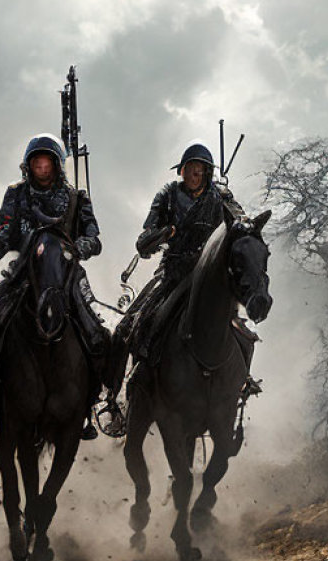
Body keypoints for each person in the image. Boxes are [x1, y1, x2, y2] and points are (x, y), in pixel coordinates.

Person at [0, 133, 107, 450]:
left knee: (99, 333)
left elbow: (93, 236)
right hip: (22, 276)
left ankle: (90, 404)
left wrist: (81, 245)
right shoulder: (15, 194)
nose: (42, 168)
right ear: (28, 166)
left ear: (57, 166)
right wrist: (2, 240)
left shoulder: (76, 198)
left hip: (66, 276)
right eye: (36, 163)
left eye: (47, 163)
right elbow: (4, 228)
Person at [103, 141, 247, 420]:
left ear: (207, 172)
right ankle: (115, 399)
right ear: (181, 170)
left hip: (211, 278)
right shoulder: (167, 195)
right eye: (189, 169)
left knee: (243, 331)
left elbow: (242, 226)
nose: (193, 174)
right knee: (125, 329)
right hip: (173, 273)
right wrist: (164, 233)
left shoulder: (221, 197)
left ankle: (241, 381)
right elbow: (143, 242)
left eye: (199, 170)